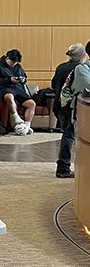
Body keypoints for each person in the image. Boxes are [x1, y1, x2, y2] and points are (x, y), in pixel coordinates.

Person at [56, 44, 90, 178]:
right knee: (69, 135)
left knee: (68, 134)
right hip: (71, 108)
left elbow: (54, 84)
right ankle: (63, 167)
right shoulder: (81, 69)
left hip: (62, 105)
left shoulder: (61, 67)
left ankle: (63, 166)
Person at [0, 48, 35, 135]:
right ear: (7, 58)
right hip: (4, 88)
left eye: (16, 62)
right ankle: (16, 118)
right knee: (9, 96)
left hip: (17, 88)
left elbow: (25, 77)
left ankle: (26, 126)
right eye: (13, 62)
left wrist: (23, 80)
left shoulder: (18, 66)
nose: (14, 64)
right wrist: (9, 80)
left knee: (31, 104)